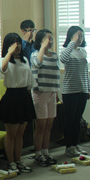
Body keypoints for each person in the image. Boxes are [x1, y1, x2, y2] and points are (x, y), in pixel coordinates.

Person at [0, 33, 36, 173]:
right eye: (13, 43)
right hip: (11, 97)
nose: (17, 46)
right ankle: (11, 162)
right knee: (11, 133)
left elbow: (30, 80)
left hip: (24, 96)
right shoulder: (3, 60)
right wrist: (9, 53)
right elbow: (2, 69)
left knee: (20, 133)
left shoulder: (25, 60)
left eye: (18, 42)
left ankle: (18, 160)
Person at [60, 26, 90, 158]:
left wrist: (88, 89)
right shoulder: (66, 51)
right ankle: (69, 146)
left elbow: (86, 72)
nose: (80, 39)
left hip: (82, 90)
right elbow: (63, 59)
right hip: (70, 91)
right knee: (70, 120)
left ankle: (76, 144)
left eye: (82, 36)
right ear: (71, 36)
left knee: (77, 119)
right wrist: (72, 42)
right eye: (78, 36)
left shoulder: (83, 52)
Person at [31, 29, 60, 166]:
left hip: (52, 93)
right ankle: (38, 153)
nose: (51, 41)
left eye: (52, 39)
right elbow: (37, 63)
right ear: (41, 40)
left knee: (49, 125)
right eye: (48, 39)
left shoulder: (54, 55)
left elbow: (56, 75)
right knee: (41, 126)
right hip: (40, 93)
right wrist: (42, 47)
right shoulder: (35, 54)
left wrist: (57, 93)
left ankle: (45, 151)